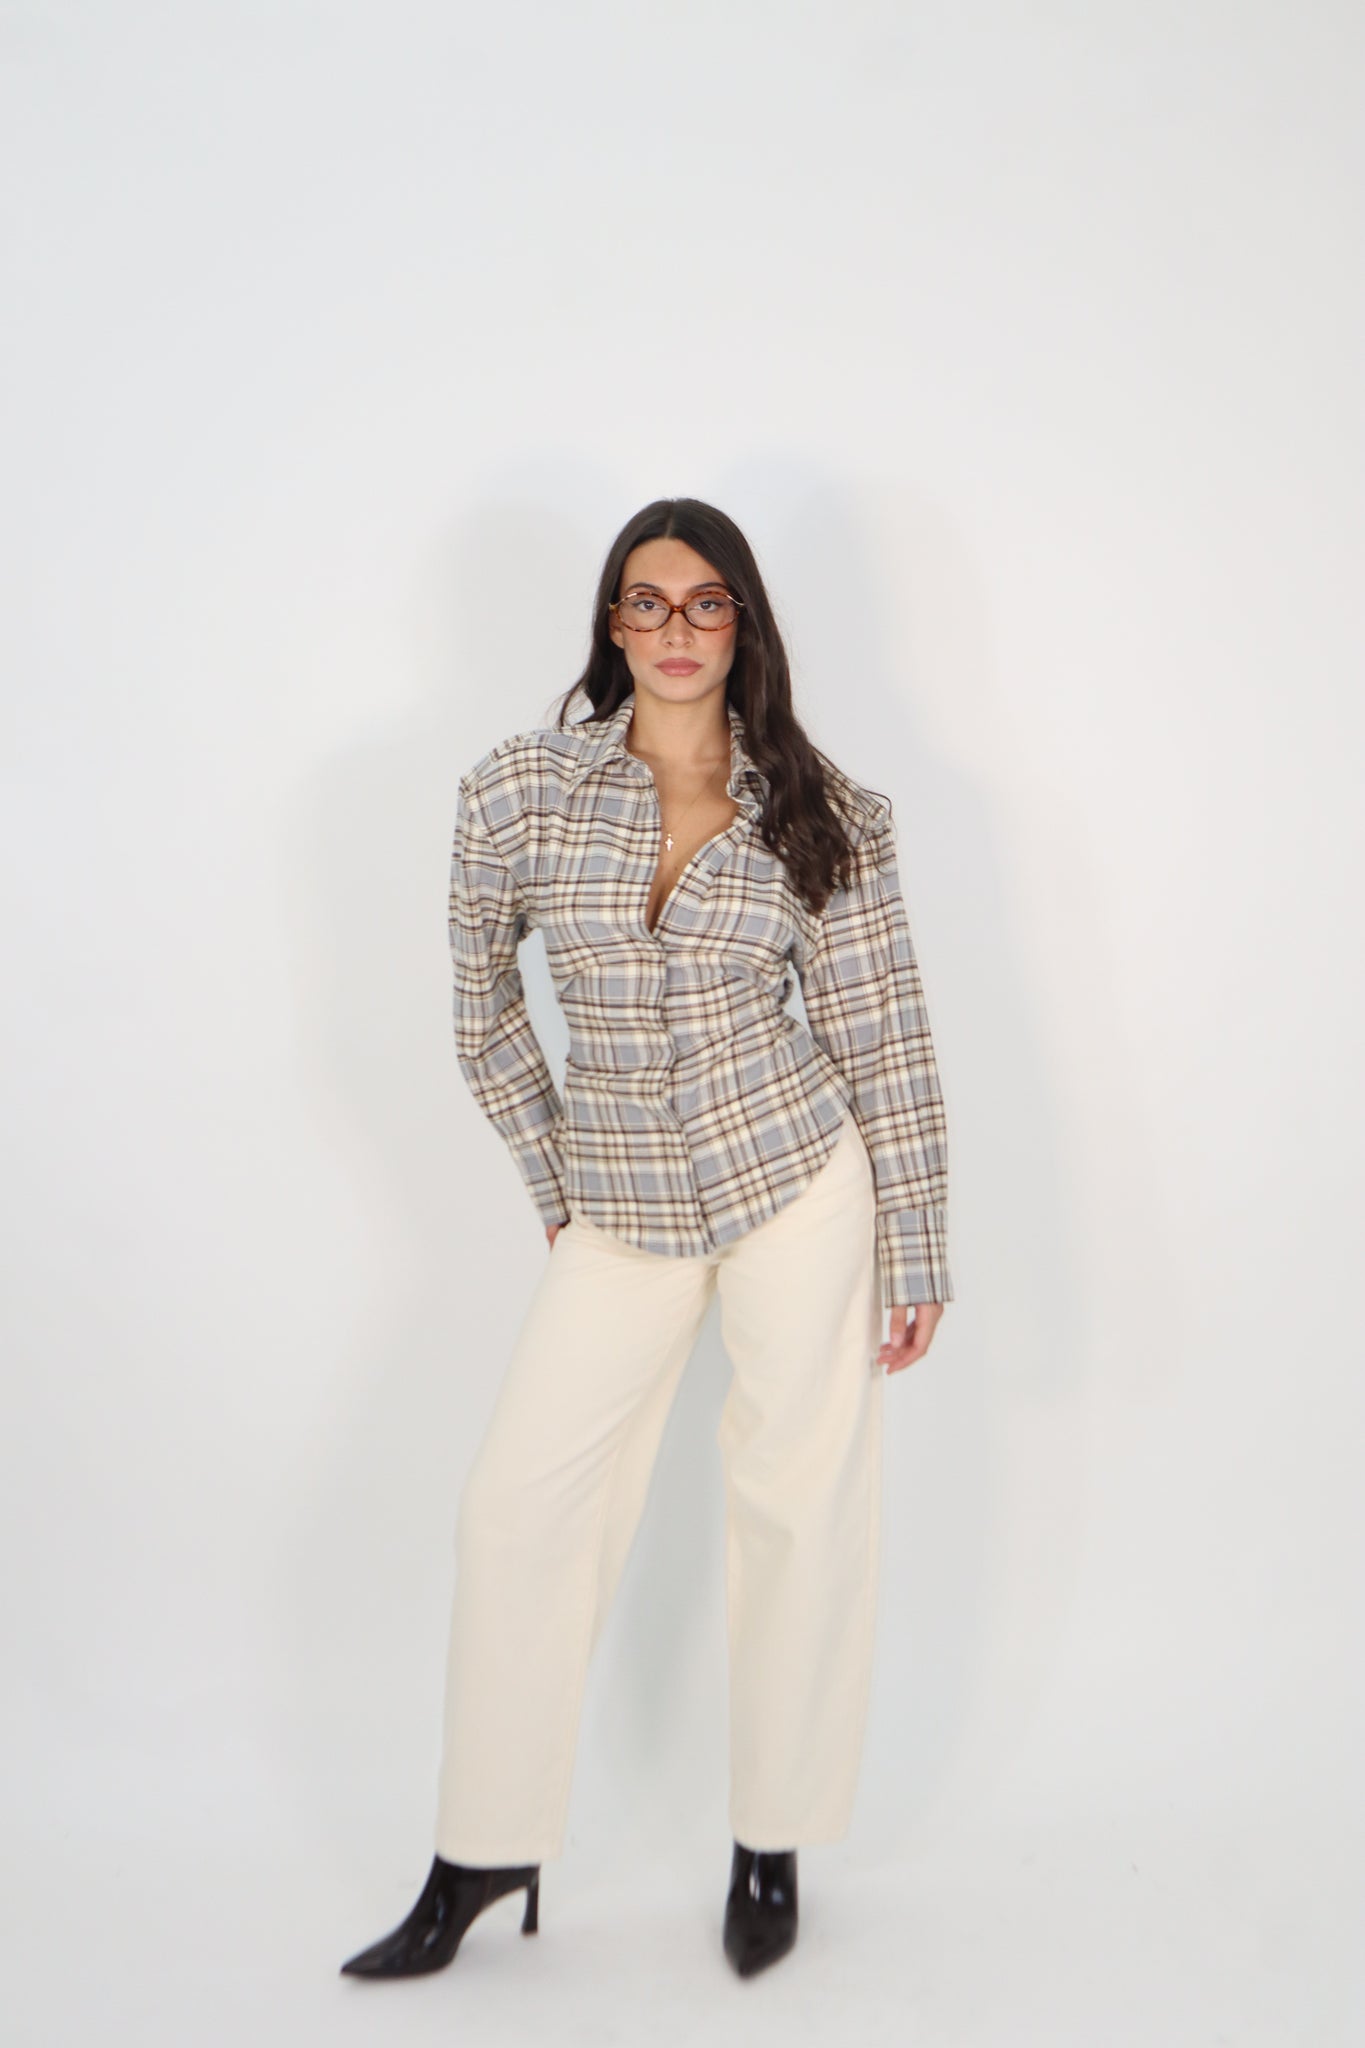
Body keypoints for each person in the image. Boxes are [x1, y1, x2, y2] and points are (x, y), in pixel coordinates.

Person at [340, 496, 954, 1984]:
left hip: (794, 1177)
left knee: (797, 1508)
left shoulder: (827, 809)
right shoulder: (521, 790)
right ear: (611, 624)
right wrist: (554, 1175)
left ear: (742, 623)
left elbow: (883, 1035)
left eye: (705, 603)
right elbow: (481, 1007)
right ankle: (483, 1849)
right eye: (646, 601)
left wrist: (917, 1246)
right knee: (514, 1508)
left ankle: (771, 1839)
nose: (675, 630)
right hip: (617, 1202)